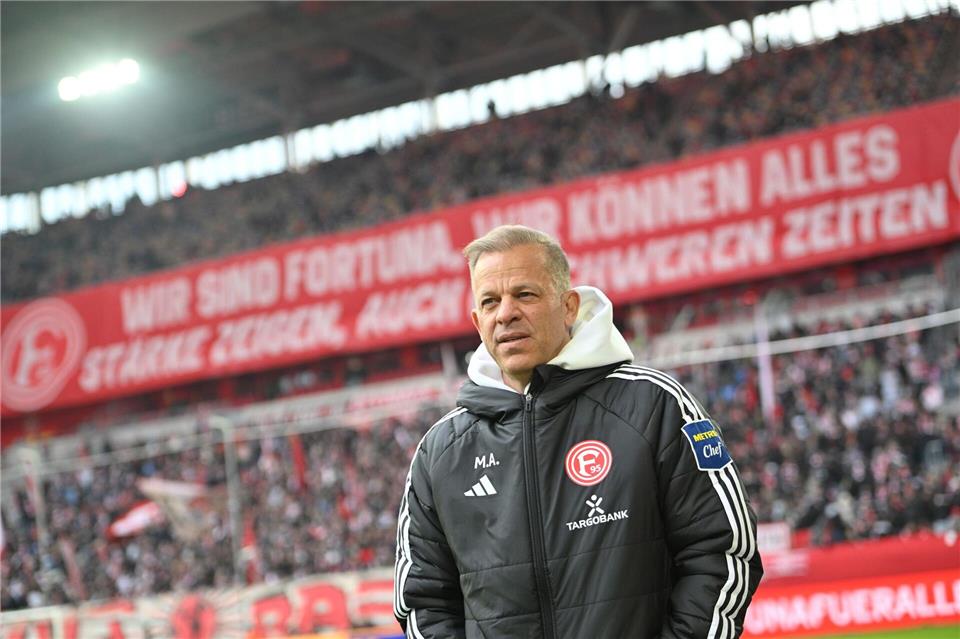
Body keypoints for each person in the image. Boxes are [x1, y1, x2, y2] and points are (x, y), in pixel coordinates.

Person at [394, 225, 763, 638]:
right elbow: (422, 600)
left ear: (569, 306)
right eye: (490, 301)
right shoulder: (440, 452)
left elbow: (722, 550)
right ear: (478, 322)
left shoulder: (654, 406)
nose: (506, 313)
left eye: (525, 294)